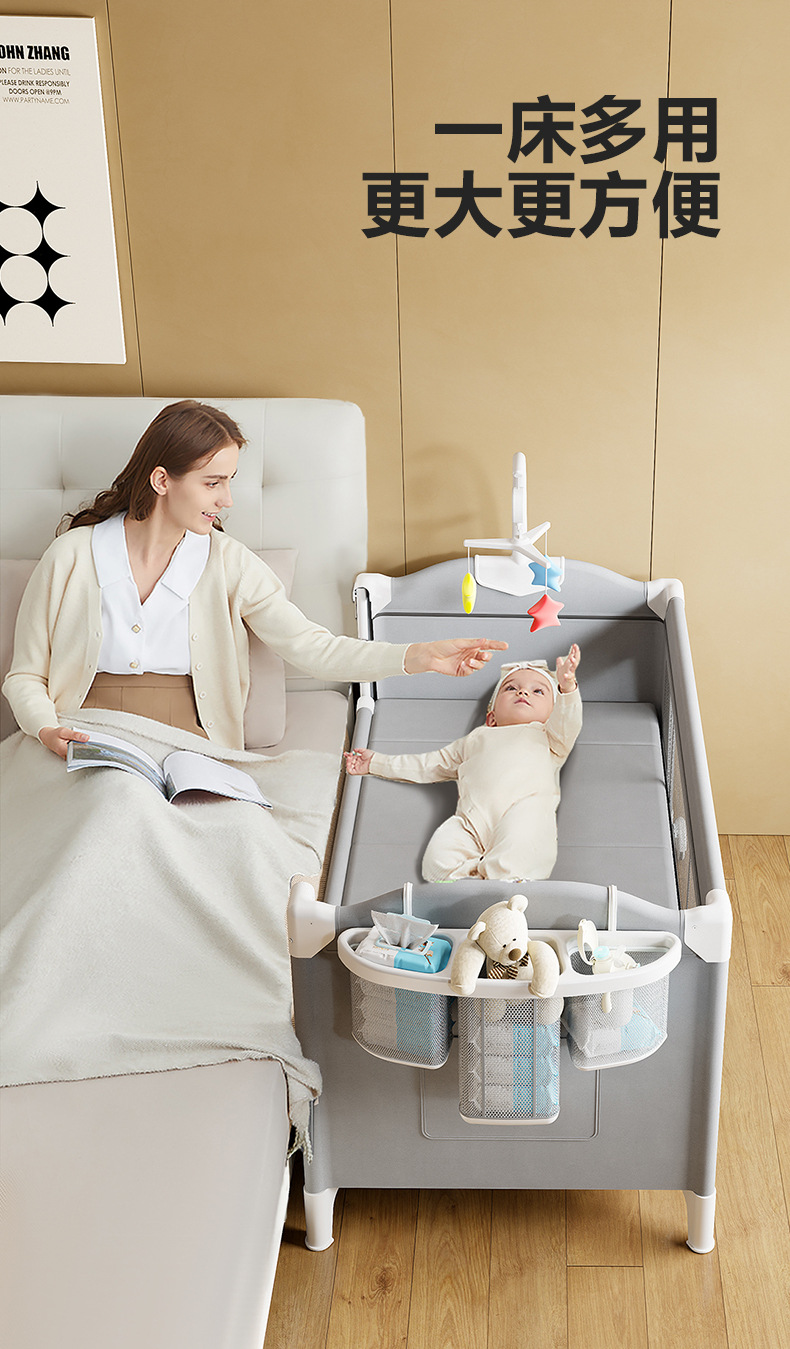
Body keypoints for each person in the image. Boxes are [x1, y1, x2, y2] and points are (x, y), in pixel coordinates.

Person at [2, 400, 508, 757]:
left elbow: (314, 649)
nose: (226, 500)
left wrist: (418, 656)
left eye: (230, 482)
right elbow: (25, 676)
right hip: (84, 734)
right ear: (161, 480)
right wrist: (46, 729)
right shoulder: (72, 556)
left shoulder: (229, 563)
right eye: (213, 483)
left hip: (188, 742)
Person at [345, 647, 581, 882]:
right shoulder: (475, 739)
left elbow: (567, 721)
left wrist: (567, 688)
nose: (523, 692)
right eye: (510, 688)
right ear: (491, 717)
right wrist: (376, 763)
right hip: (473, 822)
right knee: (437, 860)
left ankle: (502, 882)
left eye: (538, 691)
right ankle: (472, 883)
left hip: (523, 810)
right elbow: (428, 764)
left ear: (552, 715)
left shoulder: (550, 737)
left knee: (524, 838)